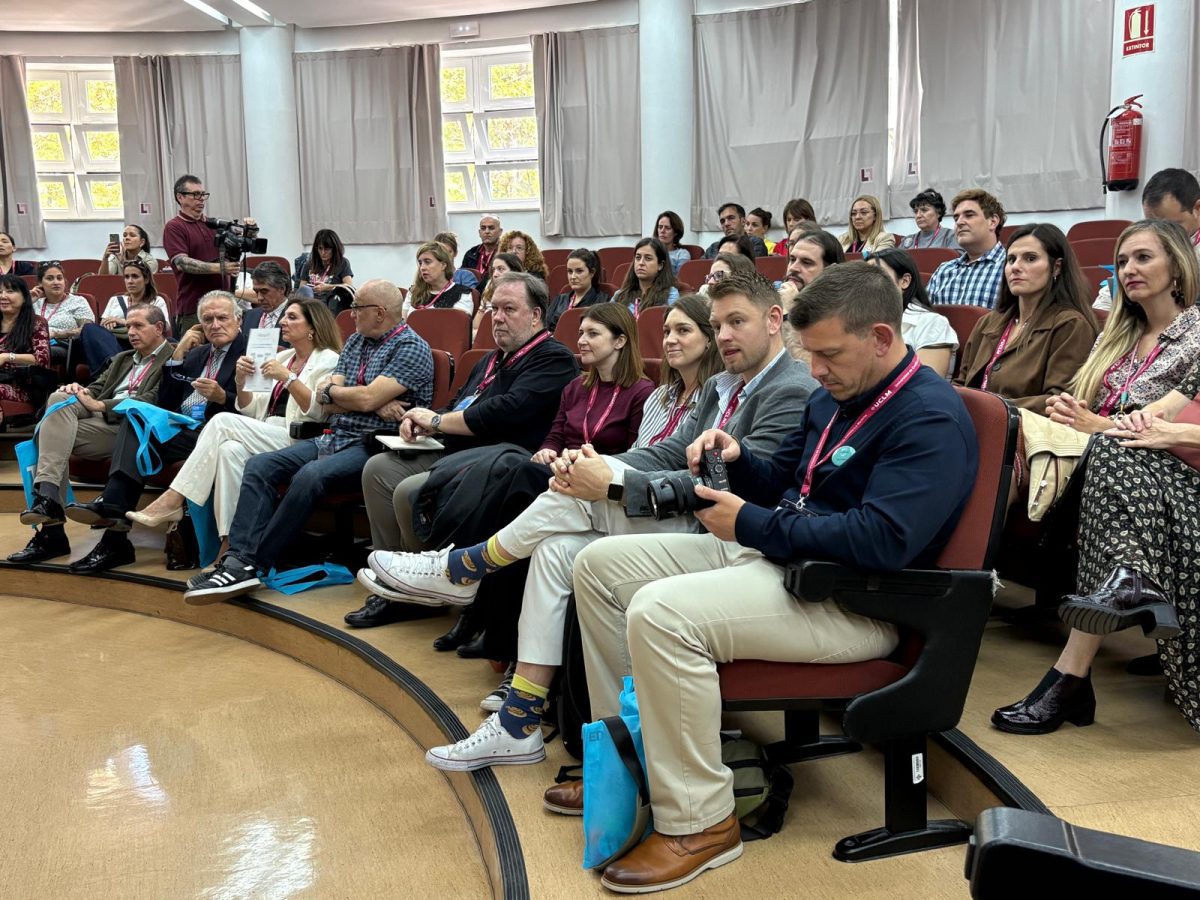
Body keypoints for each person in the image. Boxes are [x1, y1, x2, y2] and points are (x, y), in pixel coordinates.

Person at [562, 262, 977, 892]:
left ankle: (700, 820)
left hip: (856, 602)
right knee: (596, 566)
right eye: (810, 354)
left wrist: (752, 524)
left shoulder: (928, 416)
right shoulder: (834, 395)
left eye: (829, 354)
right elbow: (786, 479)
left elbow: (882, 540)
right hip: (788, 566)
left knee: (661, 615)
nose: (816, 370)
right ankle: (629, 765)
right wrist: (736, 458)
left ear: (882, 339)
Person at [368, 272, 819, 764]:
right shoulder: (721, 384)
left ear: (773, 320)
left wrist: (613, 482)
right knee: (555, 549)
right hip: (682, 516)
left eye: (737, 322)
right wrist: (601, 465)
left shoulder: (790, 389)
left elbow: (737, 484)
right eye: (718, 325)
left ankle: (466, 567)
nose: (724, 336)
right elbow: (669, 451)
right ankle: (519, 720)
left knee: (572, 495)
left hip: (721, 532)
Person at [182, 280, 433, 602]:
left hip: (374, 443)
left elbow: (361, 397)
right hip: (334, 435)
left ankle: (252, 564)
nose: (351, 314)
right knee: (259, 466)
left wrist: (359, 398)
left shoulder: (411, 347)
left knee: (309, 475)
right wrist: (364, 399)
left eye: (357, 308)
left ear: (380, 313)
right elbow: (327, 399)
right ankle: (237, 558)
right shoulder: (356, 341)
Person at [993, 364, 1200, 734]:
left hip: (1187, 486)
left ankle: (1072, 677)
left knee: (1115, 473)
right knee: (1110, 445)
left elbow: (1169, 426)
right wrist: (1125, 422)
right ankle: (1128, 579)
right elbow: (1164, 409)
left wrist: (1175, 433)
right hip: (1173, 481)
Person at [62, 292, 247, 573]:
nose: (215, 325)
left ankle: (113, 524)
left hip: (219, 432)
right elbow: (167, 401)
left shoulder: (250, 353)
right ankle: (115, 528)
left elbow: (258, 410)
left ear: (239, 319)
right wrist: (178, 354)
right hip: (183, 428)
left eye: (222, 318)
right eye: (208, 319)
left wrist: (224, 397)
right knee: (135, 419)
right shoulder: (197, 354)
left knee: (137, 433)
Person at [127, 299, 342, 539]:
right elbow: (251, 409)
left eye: (292, 317)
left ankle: (174, 497)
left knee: (221, 421)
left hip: (303, 437)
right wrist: (241, 380)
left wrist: (288, 378)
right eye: (285, 316)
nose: (282, 321)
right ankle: (229, 542)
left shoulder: (329, 359)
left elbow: (317, 412)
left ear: (312, 326)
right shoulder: (283, 357)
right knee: (229, 450)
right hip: (267, 429)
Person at [11, 305, 172, 564]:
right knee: (58, 399)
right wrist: (78, 390)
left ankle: (51, 530)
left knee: (49, 437)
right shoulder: (123, 358)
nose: (130, 332)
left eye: (138, 326)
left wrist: (100, 405)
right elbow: (96, 388)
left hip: (132, 430)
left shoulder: (173, 358)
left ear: (159, 328)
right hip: (100, 423)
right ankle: (49, 498)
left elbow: (155, 400)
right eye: (128, 326)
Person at [1044, 220, 1200, 438]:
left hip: (1144, 453)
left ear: (1176, 265)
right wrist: (1068, 412)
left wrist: (1099, 425)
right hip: (1083, 444)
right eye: (1122, 262)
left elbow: (1171, 424)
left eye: (1143, 257)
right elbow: (1083, 407)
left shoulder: (1195, 336)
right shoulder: (1112, 336)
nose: (1128, 270)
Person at [954, 224, 1098, 411]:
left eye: (1030, 258)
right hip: (972, 421)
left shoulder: (1070, 325)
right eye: (1011, 259)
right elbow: (962, 382)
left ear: (1056, 267)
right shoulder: (988, 322)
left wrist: (988, 408)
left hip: (1024, 427)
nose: (1015, 267)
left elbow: (1059, 401)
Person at [1095, 169, 1200, 311]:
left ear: (1198, 209)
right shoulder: (1140, 247)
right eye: (1152, 224)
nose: (1162, 235)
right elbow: (1103, 306)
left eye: (1172, 226)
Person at [162, 174, 249, 333]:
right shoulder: (174, 227)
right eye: (195, 194)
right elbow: (182, 263)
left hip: (224, 305)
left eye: (203, 194)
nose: (201, 199)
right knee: (197, 348)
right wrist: (220, 268)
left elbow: (239, 247)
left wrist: (250, 232)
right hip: (194, 308)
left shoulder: (214, 224)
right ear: (180, 197)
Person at [868, 248, 959, 377]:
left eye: (876, 275)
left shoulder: (932, 323)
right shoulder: (863, 321)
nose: (866, 284)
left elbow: (927, 384)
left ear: (905, 281)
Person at [79, 259, 172, 374]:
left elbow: (165, 326)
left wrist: (123, 321)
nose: (130, 281)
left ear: (146, 279)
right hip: (115, 343)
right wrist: (108, 323)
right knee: (89, 328)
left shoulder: (156, 301)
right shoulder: (115, 300)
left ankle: (114, 370)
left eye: (135, 276)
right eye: (127, 277)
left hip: (142, 342)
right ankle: (114, 366)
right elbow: (103, 325)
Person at [926, 188, 1007, 308]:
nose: (959, 222)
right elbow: (922, 315)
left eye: (969, 215)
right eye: (956, 218)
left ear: (993, 222)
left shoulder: (1011, 267)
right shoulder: (943, 271)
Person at [0, 274, 51, 426]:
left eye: (10, 291)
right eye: (0, 292)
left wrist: (7, 357)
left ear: (24, 297)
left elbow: (42, 360)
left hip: (21, 385)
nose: (3, 296)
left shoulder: (36, 323)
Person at [31, 261, 94, 368]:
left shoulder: (78, 301)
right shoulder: (35, 303)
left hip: (63, 345)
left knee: (42, 352)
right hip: (33, 343)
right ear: (40, 284)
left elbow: (87, 330)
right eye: (50, 278)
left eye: (59, 278)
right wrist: (27, 302)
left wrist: (56, 334)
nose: (56, 282)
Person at [544, 248, 608, 332]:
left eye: (579, 271)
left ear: (592, 272)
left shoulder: (602, 301)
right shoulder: (559, 300)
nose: (573, 277)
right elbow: (546, 329)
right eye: (570, 271)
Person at [404, 241, 473, 318]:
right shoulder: (414, 292)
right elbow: (403, 322)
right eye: (420, 263)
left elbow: (459, 323)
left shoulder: (462, 293)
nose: (422, 268)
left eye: (427, 262)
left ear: (443, 265)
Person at [612, 238, 679, 316]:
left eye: (648, 258)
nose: (641, 263)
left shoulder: (670, 294)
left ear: (660, 265)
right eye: (638, 258)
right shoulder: (619, 295)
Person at [473, 252, 523, 338]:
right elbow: (475, 326)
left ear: (514, 272)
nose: (495, 274)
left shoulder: (523, 293)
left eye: (501, 269)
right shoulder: (490, 286)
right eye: (494, 270)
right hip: (485, 335)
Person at [296, 228, 354, 295]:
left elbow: (349, 286)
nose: (323, 253)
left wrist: (328, 287)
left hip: (331, 300)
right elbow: (302, 289)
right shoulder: (309, 264)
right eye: (320, 248)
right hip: (311, 300)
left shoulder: (342, 263)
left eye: (327, 249)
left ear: (334, 249)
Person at [703, 203, 768, 258]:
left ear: (743, 221)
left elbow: (753, 267)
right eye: (722, 221)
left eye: (731, 218)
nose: (726, 224)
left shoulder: (754, 243)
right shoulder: (713, 248)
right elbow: (699, 266)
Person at [243, 261, 292, 332]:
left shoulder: (296, 317)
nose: (259, 298)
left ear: (281, 289)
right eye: (256, 292)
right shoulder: (250, 316)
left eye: (264, 291)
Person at [463, 214, 503, 289]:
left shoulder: (505, 254)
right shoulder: (470, 253)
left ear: (500, 232)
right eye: (483, 228)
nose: (487, 231)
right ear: (479, 232)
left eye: (491, 228)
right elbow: (462, 279)